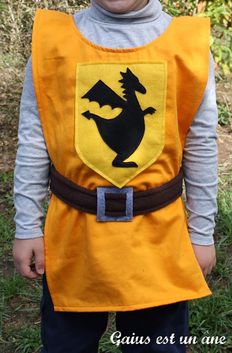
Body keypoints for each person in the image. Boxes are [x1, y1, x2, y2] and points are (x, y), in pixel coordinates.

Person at [13, 0, 218, 352]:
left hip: (158, 239)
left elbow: (201, 144)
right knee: (67, 344)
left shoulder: (188, 47)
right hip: (75, 237)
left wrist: (201, 232)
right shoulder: (54, 44)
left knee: (157, 345)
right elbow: (35, 138)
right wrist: (27, 226)